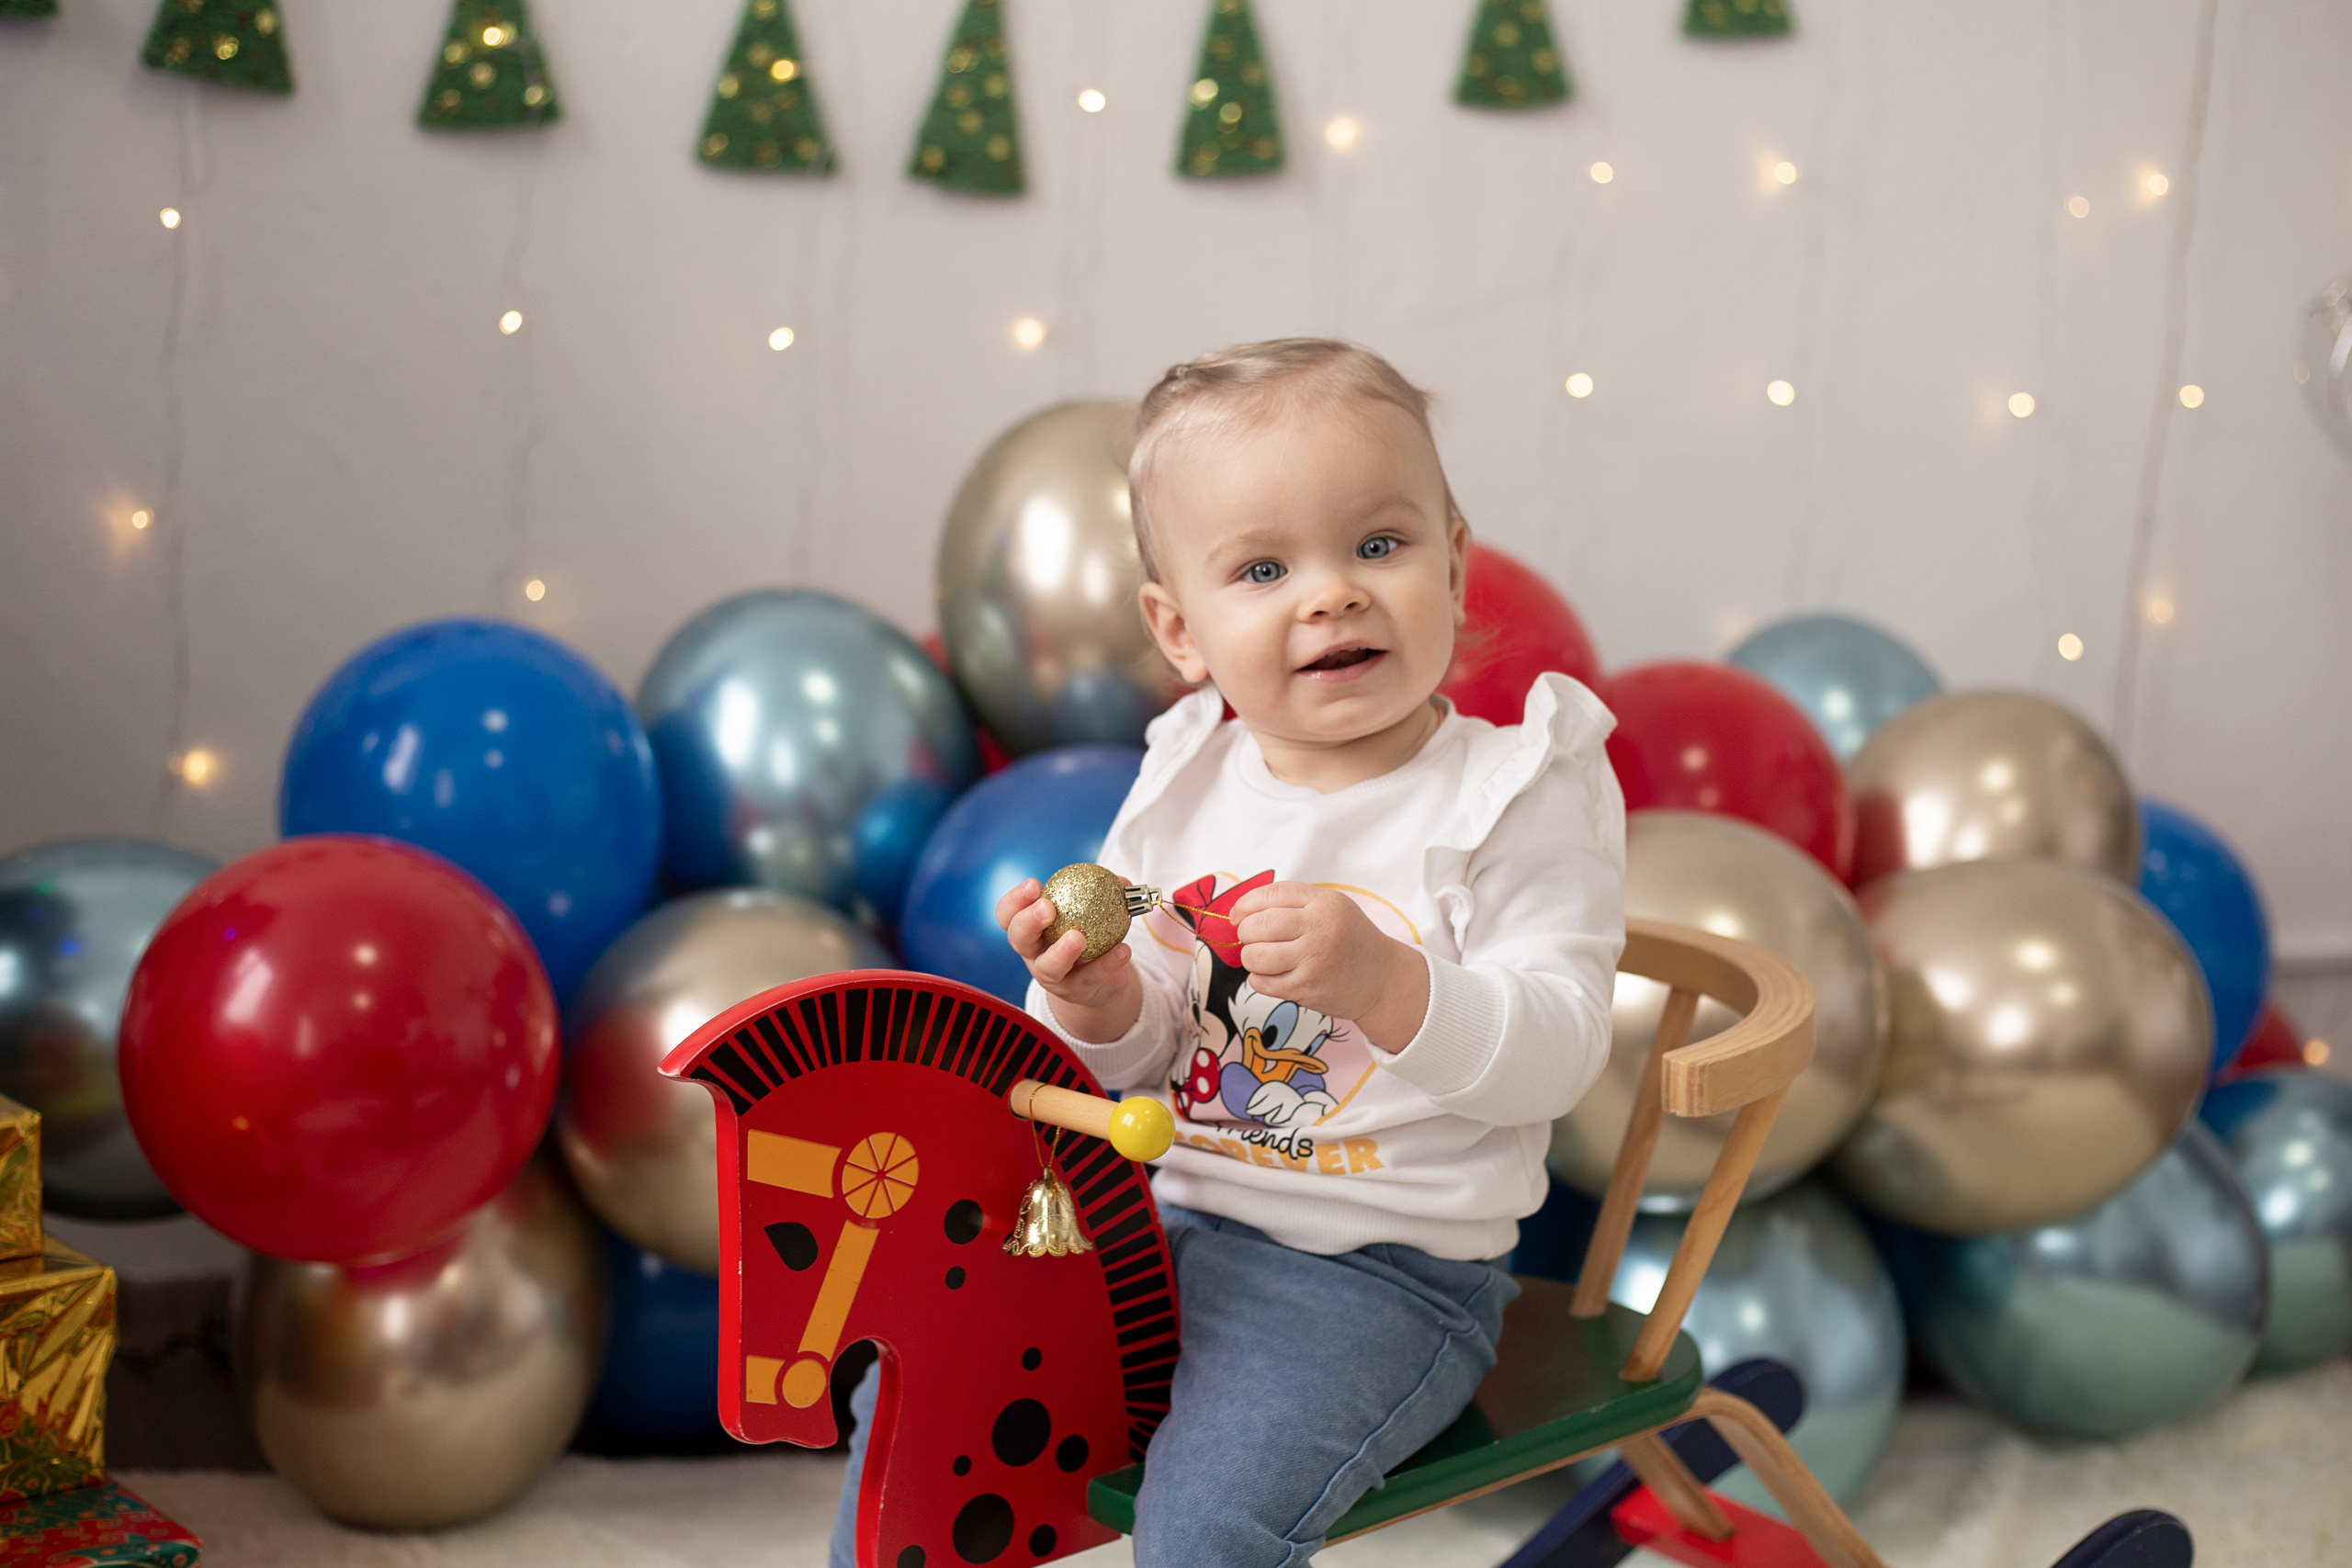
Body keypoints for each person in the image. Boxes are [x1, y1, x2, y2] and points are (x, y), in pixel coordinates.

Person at [832, 338, 1623, 1567]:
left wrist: (1388, 986)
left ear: (1456, 565)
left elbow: (1559, 1058)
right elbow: (1153, 1052)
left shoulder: (1516, 793)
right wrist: (1096, 999)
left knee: (1205, 1529)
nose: (1331, 595)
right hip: (1160, 1229)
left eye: (1379, 546)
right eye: (1263, 567)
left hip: (1380, 1278)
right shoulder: (1191, 771)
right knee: (922, 1390)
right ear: (1181, 629)